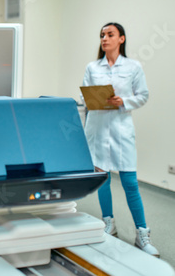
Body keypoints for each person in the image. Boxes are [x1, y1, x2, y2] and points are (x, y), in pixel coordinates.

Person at [82, 22, 159, 257]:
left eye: (110, 34)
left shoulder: (133, 67)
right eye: (102, 35)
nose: (104, 38)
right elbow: (84, 95)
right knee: (103, 179)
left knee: (130, 183)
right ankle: (109, 224)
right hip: (97, 127)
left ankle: (142, 234)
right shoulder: (92, 67)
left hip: (121, 130)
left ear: (121, 39)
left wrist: (123, 101)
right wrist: (93, 98)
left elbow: (143, 95)